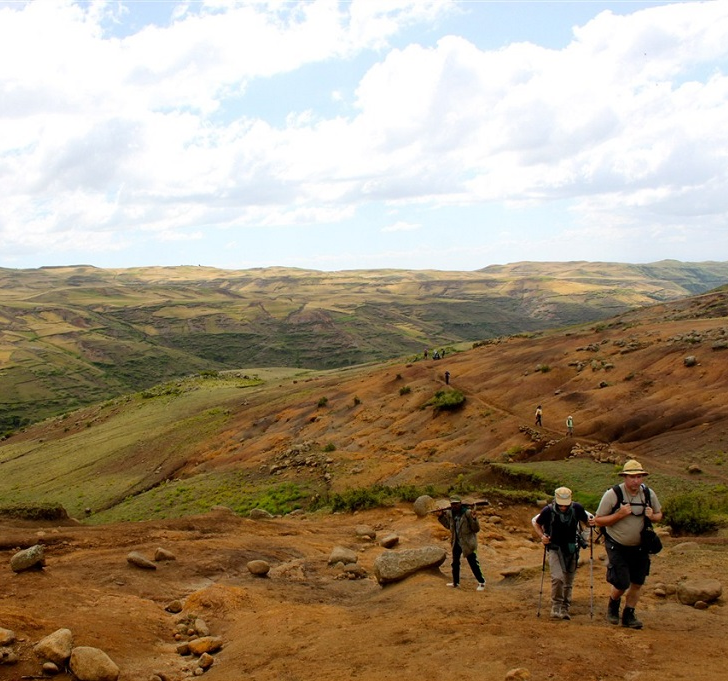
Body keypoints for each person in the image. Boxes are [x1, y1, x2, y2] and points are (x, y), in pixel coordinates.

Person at [593, 459, 663, 629]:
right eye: (632, 477)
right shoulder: (613, 494)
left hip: (640, 547)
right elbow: (598, 521)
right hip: (617, 545)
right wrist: (619, 515)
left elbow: (659, 514)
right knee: (621, 583)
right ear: (625, 477)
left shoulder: (648, 494)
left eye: (639, 477)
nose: (636, 481)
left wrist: (652, 516)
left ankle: (629, 615)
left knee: (638, 582)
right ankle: (613, 604)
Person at [532, 487, 593, 620]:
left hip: (572, 548)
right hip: (554, 548)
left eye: (566, 505)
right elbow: (537, 523)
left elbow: (587, 523)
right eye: (561, 505)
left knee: (568, 581)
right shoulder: (548, 511)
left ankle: (565, 608)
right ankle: (556, 605)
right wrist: (542, 536)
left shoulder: (577, 509)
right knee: (558, 577)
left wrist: (591, 524)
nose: (563, 507)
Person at [438, 495, 486, 591]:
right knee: (455, 563)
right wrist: (441, 517)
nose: (454, 506)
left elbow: (476, 529)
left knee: (473, 563)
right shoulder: (451, 514)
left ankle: (481, 582)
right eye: (452, 504)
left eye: (456, 504)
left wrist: (474, 519)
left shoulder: (467, 513)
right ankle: (456, 582)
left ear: (460, 504)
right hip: (456, 541)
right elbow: (448, 526)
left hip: (467, 542)